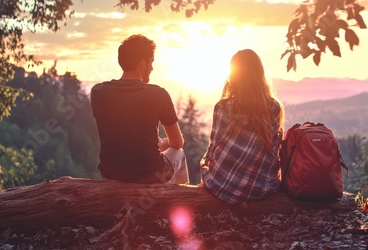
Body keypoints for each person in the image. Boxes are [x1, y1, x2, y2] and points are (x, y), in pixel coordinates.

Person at [91, 34, 188, 184]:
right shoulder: (158, 94)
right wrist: (162, 144)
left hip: (110, 173)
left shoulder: (98, 92)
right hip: (150, 175)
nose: (152, 68)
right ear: (142, 63)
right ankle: (182, 201)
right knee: (179, 153)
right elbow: (177, 142)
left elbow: (123, 131)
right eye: (151, 62)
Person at [200, 49, 285, 205]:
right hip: (260, 188)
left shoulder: (223, 107)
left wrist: (206, 165)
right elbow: (274, 149)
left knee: (204, 164)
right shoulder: (274, 107)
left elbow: (213, 148)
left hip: (223, 185)